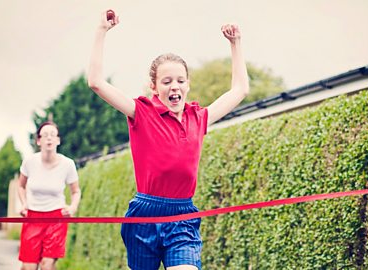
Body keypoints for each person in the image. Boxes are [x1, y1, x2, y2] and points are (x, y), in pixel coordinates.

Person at [87, 9, 249, 270]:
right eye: (166, 81)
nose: (174, 86)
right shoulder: (140, 112)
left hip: (182, 217)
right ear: (154, 87)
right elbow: (95, 82)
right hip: (144, 215)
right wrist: (101, 31)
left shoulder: (199, 118)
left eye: (180, 80)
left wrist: (236, 44)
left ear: (187, 85)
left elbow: (240, 90)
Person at [17, 121, 81, 270]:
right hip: (32, 217)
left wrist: (73, 207)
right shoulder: (29, 162)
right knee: (29, 267)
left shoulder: (68, 164)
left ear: (58, 140)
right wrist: (24, 203)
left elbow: (76, 191)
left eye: (53, 135)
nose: (49, 138)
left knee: (47, 265)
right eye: (45, 135)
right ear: (39, 141)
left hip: (56, 219)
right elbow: (21, 186)